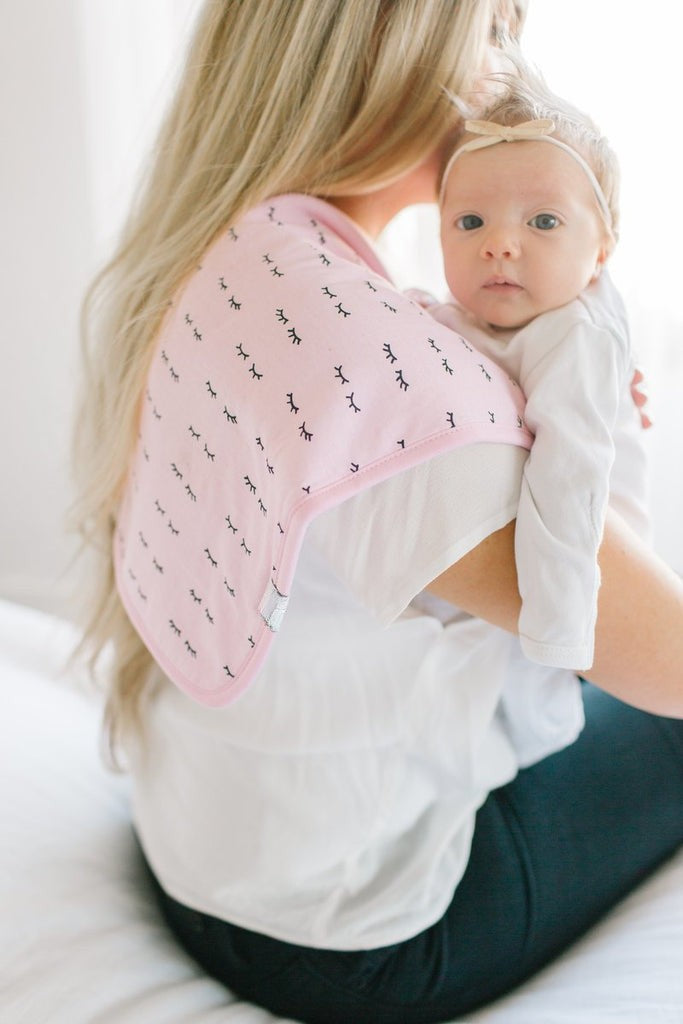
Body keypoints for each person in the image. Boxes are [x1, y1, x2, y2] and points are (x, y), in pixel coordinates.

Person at [72, 3, 683, 1023]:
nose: (507, 72)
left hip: (199, 853)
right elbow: (662, 654)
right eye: (488, 33)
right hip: (344, 939)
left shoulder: (236, 257)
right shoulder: (389, 383)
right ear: (392, 57)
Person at [409, 71, 651, 762]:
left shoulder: (576, 335)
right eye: (469, 222)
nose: (500, 244)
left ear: (601, 249)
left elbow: (567, 482)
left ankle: (548, 727)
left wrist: (560, 637)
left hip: (586, 564)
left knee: (536, 709)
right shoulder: (479, 313)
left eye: (542, 222)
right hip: (523, 562)